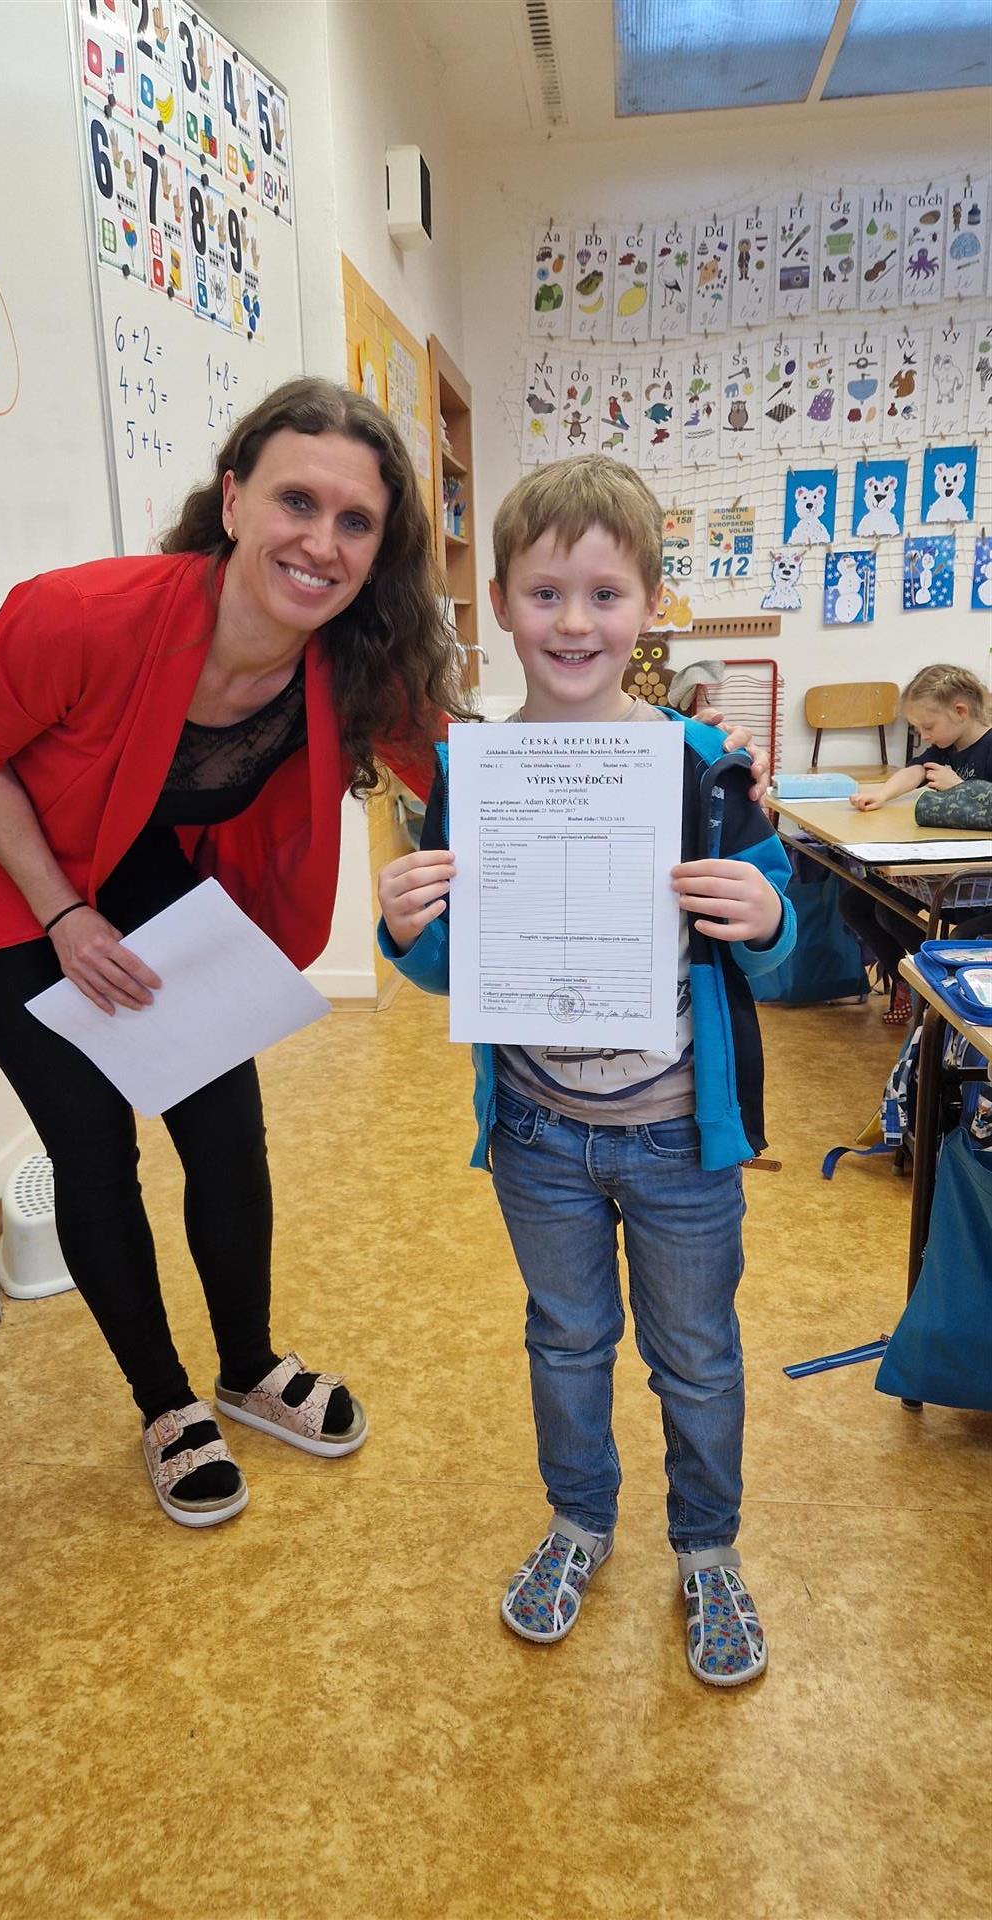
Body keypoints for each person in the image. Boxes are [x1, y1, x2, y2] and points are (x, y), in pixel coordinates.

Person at [0, 377, 472, 1528]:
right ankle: (166, 1404)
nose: (320, 543)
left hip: (125, 854)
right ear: (232, 500)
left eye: (355, 521)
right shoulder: (79, 613)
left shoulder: (357, 659)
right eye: (296, 502)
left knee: (222, 1116)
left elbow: (480, 773)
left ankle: (248, 1367)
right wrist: (62, 915)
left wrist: (677, 771)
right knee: (90, 1139)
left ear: (379, 549)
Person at [376, 455, 796, 1686]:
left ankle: (706, 1547)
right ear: (500, 605)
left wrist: (766, 916)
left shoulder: (702, 763)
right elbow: (453, 967)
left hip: (677, 1135)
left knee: (695, 1353)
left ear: (650, 607)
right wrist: (405, 930)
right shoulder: (471, 773)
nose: (574, 622)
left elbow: (775, 942)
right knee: (565, 1341)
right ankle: (578, 1523)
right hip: (537, 1132)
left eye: (605, 594)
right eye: (545, 593)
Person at [841, 664, 992, 1026]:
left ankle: (932, 984)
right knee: (856, 902)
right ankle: (906, 979)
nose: (924, 736)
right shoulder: (946, 745)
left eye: (928, 727)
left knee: (890, 912)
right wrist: (882, 794)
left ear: (960, 711)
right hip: (939, 866)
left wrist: (960, 789)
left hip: (976, 878)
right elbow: (917, 770)